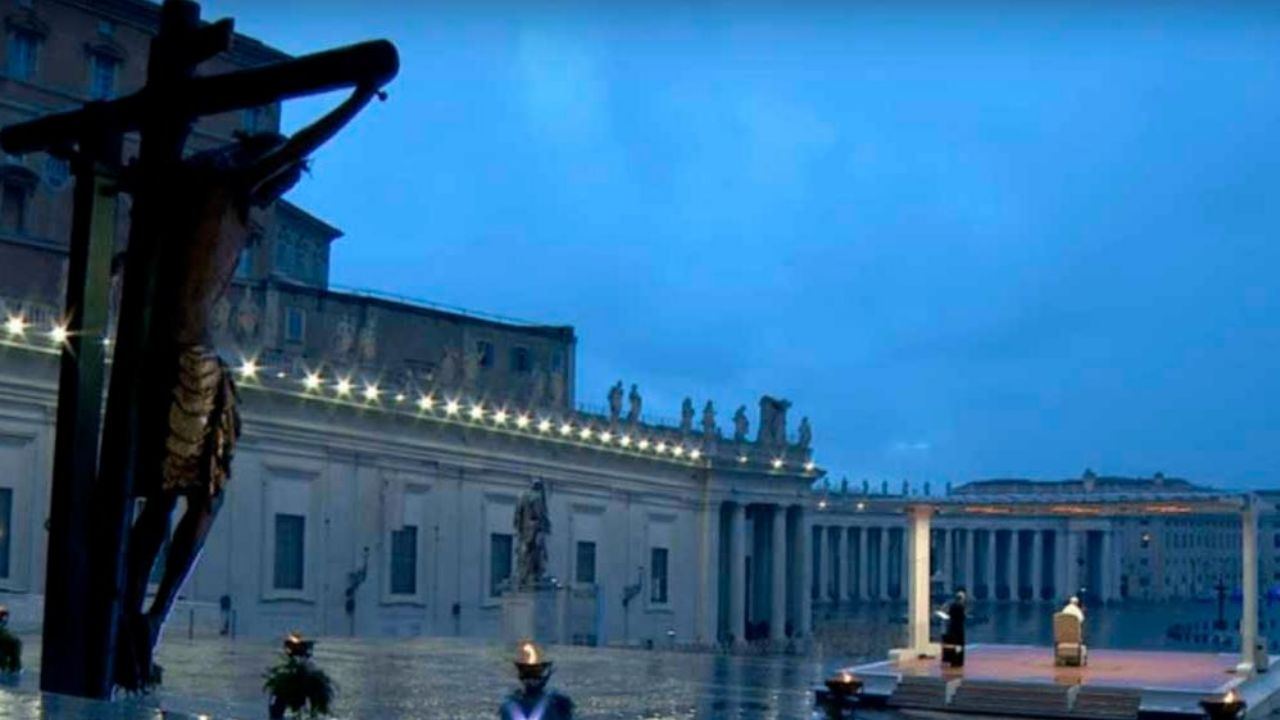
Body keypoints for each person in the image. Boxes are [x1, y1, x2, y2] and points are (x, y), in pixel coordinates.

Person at [941, 589, 967, 667]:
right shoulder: (961, 606)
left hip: (952, 627)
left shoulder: (952, 605)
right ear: (962, 598)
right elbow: (962, 617)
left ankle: (953, 660)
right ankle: (958, 661)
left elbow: (949, 614)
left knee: (953, 644)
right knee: (959, 645)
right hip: (959, 628)